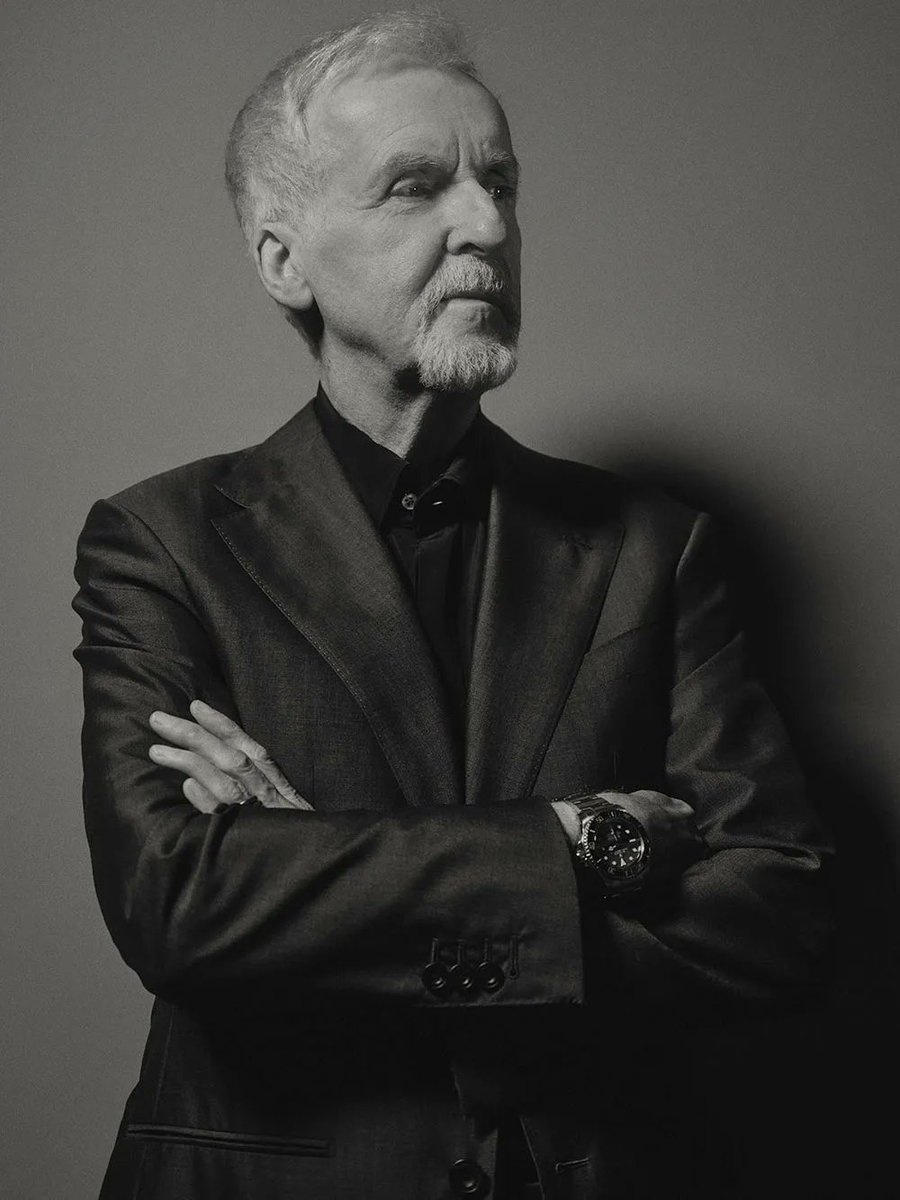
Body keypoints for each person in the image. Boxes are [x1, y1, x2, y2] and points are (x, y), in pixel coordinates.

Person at [73, 12, 831, 1200]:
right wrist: (581, 843)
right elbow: (181, 904)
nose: (487, 226)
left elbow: (776, 913)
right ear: (284, 261)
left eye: (502, 185)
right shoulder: (160, 543)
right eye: (416, 186)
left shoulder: (656, 545)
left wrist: (318, 875)